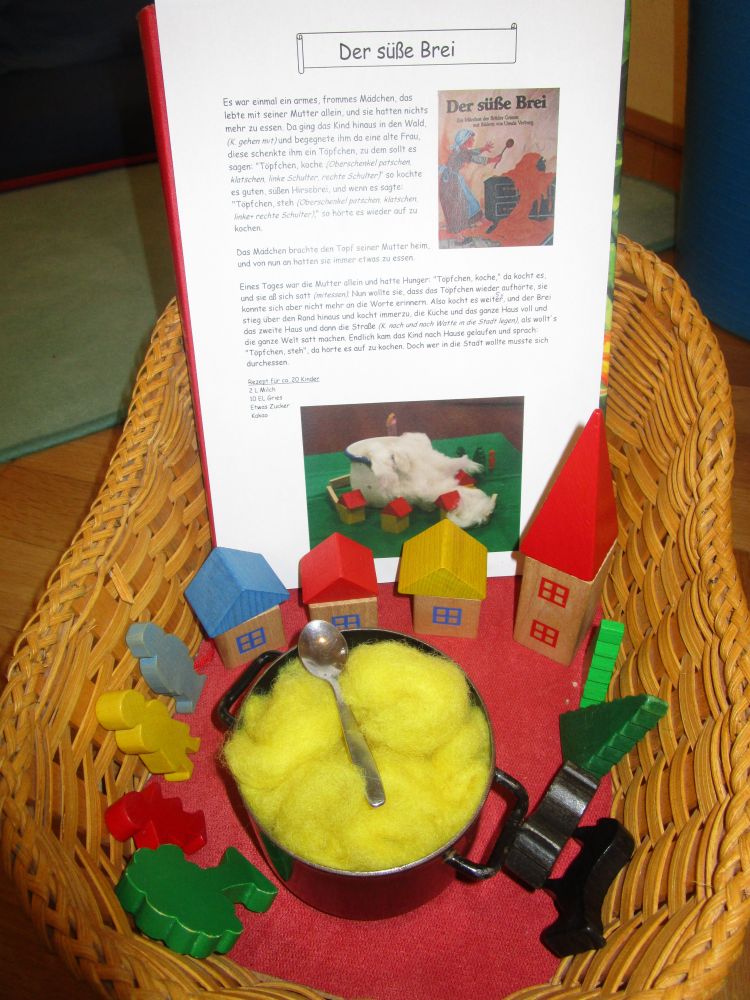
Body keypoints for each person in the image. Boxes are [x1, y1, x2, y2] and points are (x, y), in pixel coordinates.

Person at [438, 128, 503, 234]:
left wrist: (484, 149)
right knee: (460, 203)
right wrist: (493, 160)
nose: (473, 140)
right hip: (451, 182)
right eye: (471, 139)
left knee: (467, 201)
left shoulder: (461, 150)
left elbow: (472, 153)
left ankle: (476, 222)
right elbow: (475, 158)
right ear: (465, 141)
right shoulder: (462, 152)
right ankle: (460, 233)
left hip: (451, 180)